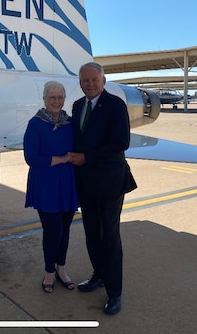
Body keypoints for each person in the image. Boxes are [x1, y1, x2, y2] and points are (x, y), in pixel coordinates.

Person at [68, 61, 137, 315]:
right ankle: (98, 275)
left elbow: (121, 142)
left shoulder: (115, 105)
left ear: (103, 81)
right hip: (86, 183)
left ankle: (114, 292)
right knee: (91, 234)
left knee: (109, 238)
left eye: (94, 80)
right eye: (85, 80)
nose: (90, 84)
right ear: (80, 83)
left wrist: (87, 157)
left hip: (109, 182)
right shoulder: (78, 106)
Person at [23, 81, 80, 294]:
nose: (56, 101)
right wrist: (63, 158)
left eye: (60, 97)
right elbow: (32, 158)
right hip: (45, 183)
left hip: (66, 183)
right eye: (52, 97)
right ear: (45, 99)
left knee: (64, 229)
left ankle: (61, 269)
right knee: (53, 229)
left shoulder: (70, 123)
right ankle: (49, 271)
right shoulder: (35, 124)